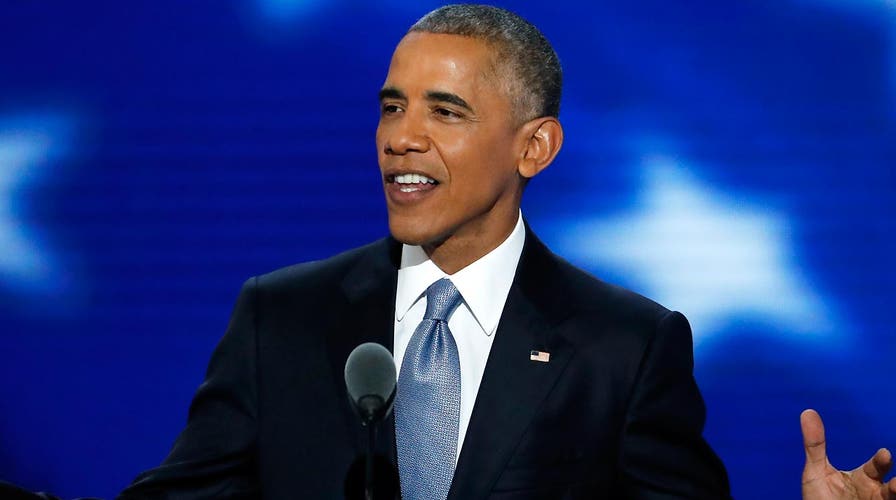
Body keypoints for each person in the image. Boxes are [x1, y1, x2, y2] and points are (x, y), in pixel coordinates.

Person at [103, 4, 890, 499]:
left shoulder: (625, 347)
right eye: (392, 107)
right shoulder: (281, 316)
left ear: (534, 147)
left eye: (445, 112)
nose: (401, 138)